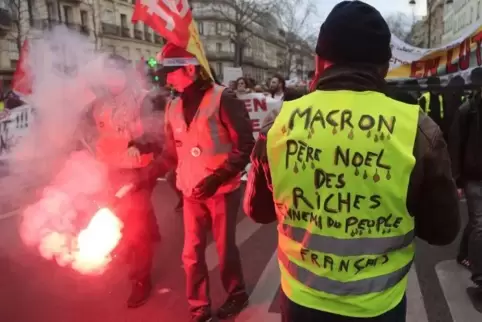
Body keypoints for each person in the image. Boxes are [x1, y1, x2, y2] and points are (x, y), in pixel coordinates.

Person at [243, 1, 460, 321]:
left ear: (319, 62)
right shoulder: (417, 129)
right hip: (378, 306)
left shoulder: (278, 126)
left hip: (301, 301)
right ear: (385, 66)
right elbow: (443, 231)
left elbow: (257, 211)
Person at [132, 43, 255, 322]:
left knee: (225, 249)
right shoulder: (173, 106)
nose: (166, 79)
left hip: (222, 189)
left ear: (190, 69)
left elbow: (244, 144)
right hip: (190, 191)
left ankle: (237, 294)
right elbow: (171, 150)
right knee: (191, 253)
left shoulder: (224, 98)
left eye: (170, 72)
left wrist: (218, 177)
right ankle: (199, 307)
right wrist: (147, 173)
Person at [80, 54, 161, 309]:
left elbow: (158, 133)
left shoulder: (144, 99)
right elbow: (86, 130)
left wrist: (142, 144)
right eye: (108, 74)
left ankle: (141, 279)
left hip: (138, 171)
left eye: (117, 74)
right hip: (110, 170)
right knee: (124, 217)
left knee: (136, 225)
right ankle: (149, 233)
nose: (112, 79)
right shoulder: (97, 104)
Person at [449, 73, 482, 298]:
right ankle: (480, 275)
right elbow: (456, 145)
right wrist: (457, 179)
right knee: (480, 224)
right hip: (473, 177)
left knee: (475, 222)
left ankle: (463, 252)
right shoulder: (467, 110)